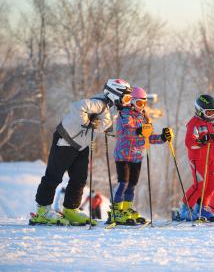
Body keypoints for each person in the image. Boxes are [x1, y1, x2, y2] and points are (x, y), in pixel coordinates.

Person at [30, 79, 132, 226]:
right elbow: (77, 106)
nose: (127, 102)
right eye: (126, 98)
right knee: (54, 176)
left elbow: (104, 121)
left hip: (81, 145)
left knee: (79, 178)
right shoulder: (99, 103)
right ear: (115, 94)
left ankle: (71, 210)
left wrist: (108, 130)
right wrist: (87, 123)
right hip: (65, 140)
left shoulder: (108, 107)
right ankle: (42, 211)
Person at [107, 86, 172, 225]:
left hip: (136, 156)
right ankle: (116, 211)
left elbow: (147, 137)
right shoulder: (124, 115)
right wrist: (140, 130)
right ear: (131, 102)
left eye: (144, 103)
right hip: (123, 155)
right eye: (139, 103)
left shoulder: (144, 117)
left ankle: (126, 209)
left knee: (132, 184)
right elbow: (128, 133)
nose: (141, 106)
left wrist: (162, 137)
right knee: (123, 183)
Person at [177, 94, 214, 222]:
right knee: (199, 184)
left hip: (210, 158)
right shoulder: (194, 124)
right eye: (209, 112)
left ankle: (201, 208)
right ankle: (185, 209)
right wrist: (202, 140)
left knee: (212, 184)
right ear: (200, 111)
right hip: (197, 158)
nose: (211, 115)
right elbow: (189, 142)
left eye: (213, 112)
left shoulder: (211, 124)